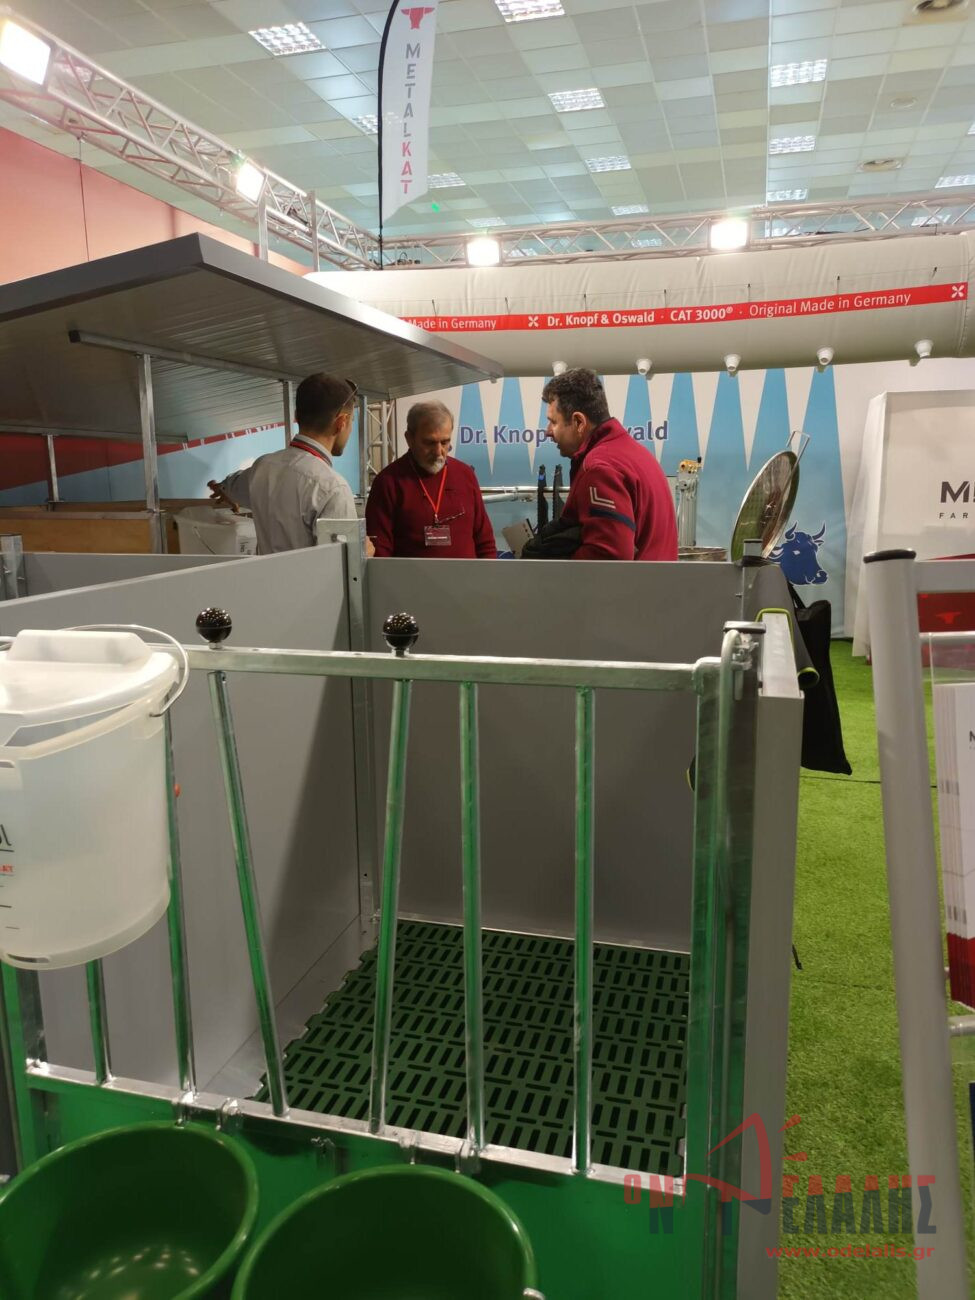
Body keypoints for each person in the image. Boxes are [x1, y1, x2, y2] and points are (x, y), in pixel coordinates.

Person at [524, 368, 678, 561]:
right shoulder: (635, 454)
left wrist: (556, 567)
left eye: (553, 422)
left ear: (579, 422)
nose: (548, 431)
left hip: (631, 582)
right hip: (655, 579)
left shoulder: (599, 468)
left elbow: (608, 557)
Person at [208, 373, 359, 555]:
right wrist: (361, 551)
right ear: (341, 423)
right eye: (351, 421)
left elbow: (232, 485)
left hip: (265, 574)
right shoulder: (333, 489)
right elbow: (340, 563)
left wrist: (222, 488)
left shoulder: (262, 467)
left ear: (296, 416)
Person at [366, 400, 496, 558]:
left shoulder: (465, 474)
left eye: (445, 442)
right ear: (409, 439)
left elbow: (485, 541)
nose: (438, 452)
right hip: (410, 575)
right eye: (429, 443)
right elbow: (380, 552)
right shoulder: (388, 482)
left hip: (468, 575)